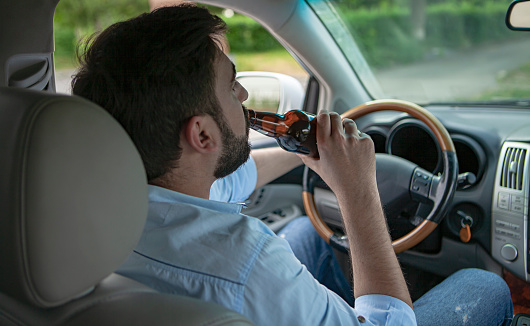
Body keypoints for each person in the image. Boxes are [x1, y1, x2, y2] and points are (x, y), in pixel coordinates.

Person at [71, 4, 513, 325]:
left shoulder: (111, 208)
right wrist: (357, 191)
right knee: (484, 285)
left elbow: (230, 182)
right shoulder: (246, 262)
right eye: (231, 86)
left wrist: (308, 150)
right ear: (202, 135)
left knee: (308, 234)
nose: (243, 97)